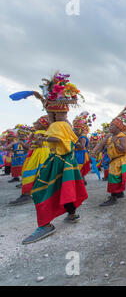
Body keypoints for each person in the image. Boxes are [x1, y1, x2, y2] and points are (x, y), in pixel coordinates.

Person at [22, 72, 88, 244]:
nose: (46, 114)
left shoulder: (57, 125)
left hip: (57, 161)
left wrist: (43, 139)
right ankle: (72, 214)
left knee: (40, 190)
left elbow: (58, 140)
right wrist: (39, 97)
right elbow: (75, 142)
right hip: (68, 162)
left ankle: (45, 225)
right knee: (65, 189)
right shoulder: (66, 124)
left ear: (54, 113)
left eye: (49, 112)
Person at [93, 106, 126, 206]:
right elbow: (101, 144)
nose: (109, 127)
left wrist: (116, 144)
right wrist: (95, 151)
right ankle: (119, 193)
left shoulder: (122, 137)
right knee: (116, 178)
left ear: (117, 128)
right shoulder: (110, 136)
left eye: (111, 126)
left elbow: (123, 149)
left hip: (120, 160)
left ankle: (113, 197)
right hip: (114, 160)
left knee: (114, 178)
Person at [9, 116, 50, 206]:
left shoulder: (39, 132)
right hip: (45, 152)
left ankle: (26, 194)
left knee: (29, 172)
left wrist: (32, 142)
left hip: (39, 153)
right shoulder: (46, 132)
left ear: (43, 125)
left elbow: (39, 143)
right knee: (41, 172)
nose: (36, 124)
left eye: (38, 123)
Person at [73, 112, 94, 185]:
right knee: (78, 168)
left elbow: (81, 146)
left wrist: (74, 142)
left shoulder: (82, 137)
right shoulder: (80, 137)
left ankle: (81, 182)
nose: (74, 131)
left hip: (80, 154)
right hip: (79, 153)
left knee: (79, 167)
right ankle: (82, 181)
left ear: (80, 130)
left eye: (76, 130)